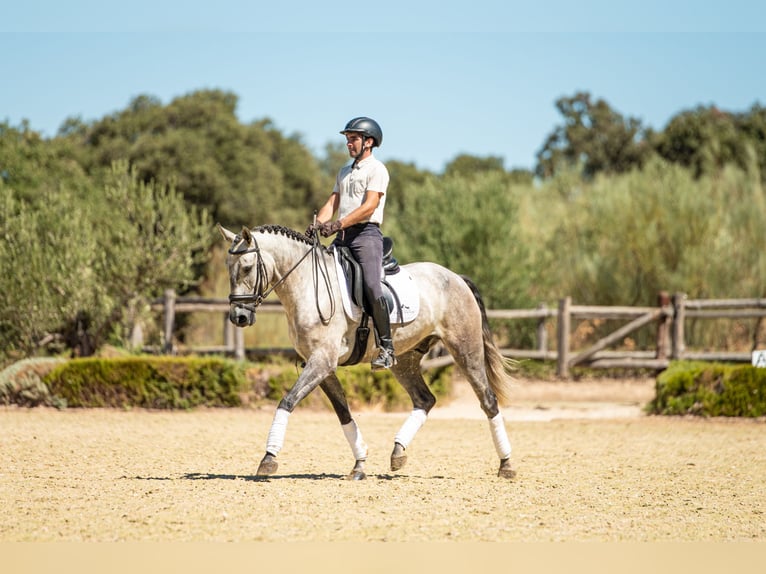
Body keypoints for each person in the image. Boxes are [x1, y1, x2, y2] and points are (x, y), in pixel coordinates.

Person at [306, 117, 394, 370]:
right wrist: (317, 223)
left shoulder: (377, 170)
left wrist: (338, 224)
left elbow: (369, 207)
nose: (349, 144)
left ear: (369, 142)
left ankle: (387, 347)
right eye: (347, 139)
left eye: (353, 139)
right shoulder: (344, 172)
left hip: (366, 236)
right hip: (342, 237)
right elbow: (332, 203)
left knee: (371, 284)